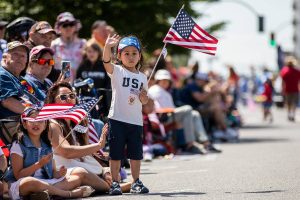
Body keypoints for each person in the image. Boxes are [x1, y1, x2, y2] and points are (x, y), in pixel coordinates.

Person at [45, 81, 131, 193]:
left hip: (80, 162)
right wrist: (98, 145)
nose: (68, 99)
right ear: (53, 101)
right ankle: (110, 188)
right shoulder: (53, 124)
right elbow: (66, 152)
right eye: (63, 97)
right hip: (62, 167)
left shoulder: (79, 121)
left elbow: (86, 151)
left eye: (72, 96)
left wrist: (104, 169)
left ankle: (92, 187)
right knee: (82, 173)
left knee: (113, 172)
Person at [4, 107, 95, 199]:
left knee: (76, 178)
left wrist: (60, 173)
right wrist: (40, 164)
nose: (36, 123)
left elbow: (53, 173)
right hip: (22, 184)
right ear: (24, 124)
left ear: (45, 125)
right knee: (30, 182)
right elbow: (19, 175)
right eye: (31, 120)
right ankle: (68, 194)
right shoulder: (18, 144)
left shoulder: (47, 145)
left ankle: (40, 194)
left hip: (46, 182)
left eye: (40, 121)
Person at [102, 34, 149, 195]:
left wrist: (144, 98)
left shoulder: (143, 77)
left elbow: (144, 100)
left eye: (134, 53)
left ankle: (136, 181)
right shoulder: (117, 71)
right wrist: (107, 47)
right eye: (126, 53)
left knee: (136, 154)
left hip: (135, 121)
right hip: (117, 118)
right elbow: (106, 62)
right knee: (116, 153)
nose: (130, 57)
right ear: (119, 56)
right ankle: (115, 182)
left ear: (139, 56)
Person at [148, 69, 210, 154]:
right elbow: (153, 108)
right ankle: (190, 143)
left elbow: (171, 107)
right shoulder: (154, 90)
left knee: (194, 114)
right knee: (188, 108)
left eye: (167, 80)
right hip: (162, 117)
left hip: (170, 114)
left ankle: (204, 141)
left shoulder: (165, 92)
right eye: (163, 80)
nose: (165, 82)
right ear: (158, 80)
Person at [76, 41, 111, 116]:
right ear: (86, 52)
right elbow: (77, 83)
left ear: (99, 52)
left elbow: (109, 84)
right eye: (89, 51)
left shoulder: (104, 66)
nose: (92, 54)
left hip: (102, 102)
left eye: (94, 51)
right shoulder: (82, 66)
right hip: (86, 102)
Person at [52, 12, 86, 82]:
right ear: (58, 28)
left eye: (71, 24)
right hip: (60, 85)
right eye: (64, 25)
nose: (68, 27)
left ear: (75, 26)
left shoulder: (83, 43)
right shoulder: (54, 45)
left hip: (81, 84)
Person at [280, 56, 300, 121]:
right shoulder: (297, 71)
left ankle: (289, 114)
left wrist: (282, 89)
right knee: (294, 103)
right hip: (295, 89)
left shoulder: (284, 70)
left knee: (288, 103)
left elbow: (283, 82)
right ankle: (292, 114)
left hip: (288, 89)